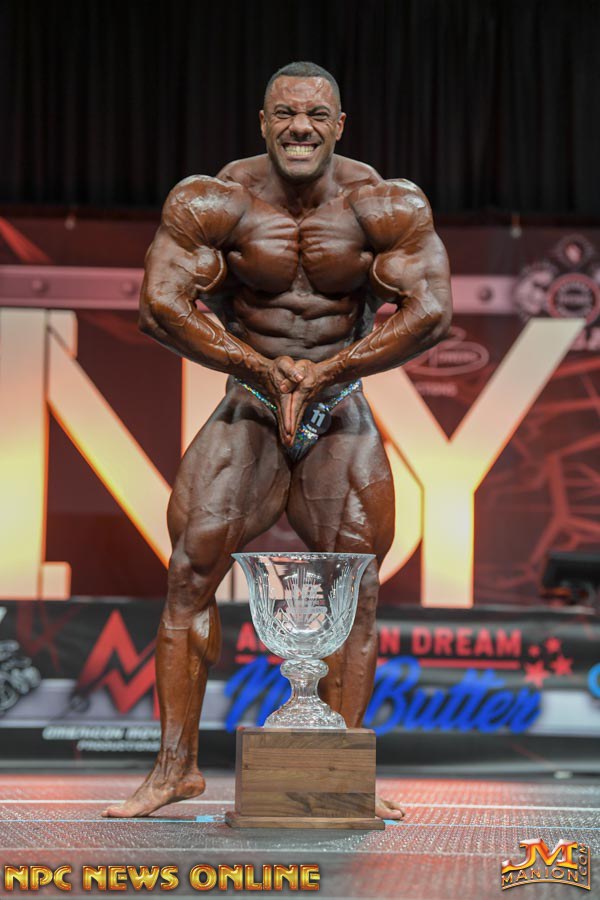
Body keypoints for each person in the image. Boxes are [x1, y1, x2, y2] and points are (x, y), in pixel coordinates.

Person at [103, 61, 452, 820]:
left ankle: (340, 775)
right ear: (263, 122)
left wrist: (331, 371)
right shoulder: (215, 200)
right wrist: (260, 367)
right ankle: (174, 770)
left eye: (316, 115)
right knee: (190, 572)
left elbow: (431, 312)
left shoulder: (384, 203)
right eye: (286, 114)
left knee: (356, 586)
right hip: (252, 404)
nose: (300, 127)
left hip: (340, 407)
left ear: (339, 126)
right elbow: (159, 306)